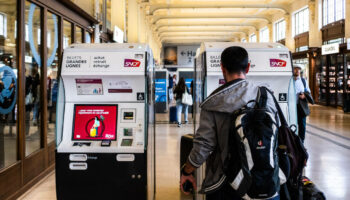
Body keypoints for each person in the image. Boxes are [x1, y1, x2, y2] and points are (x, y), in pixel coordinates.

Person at [180, 46, 279, 200]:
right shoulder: (265, 96)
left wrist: (187, 171)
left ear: (222, 68)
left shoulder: (213, 103)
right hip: (264, 181)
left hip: (224, 182)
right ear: (247, 67)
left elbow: (204, 146)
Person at [294, 65, 311, 143]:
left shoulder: (303, 81)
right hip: (291, 106)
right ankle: (292, 142)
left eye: (299, 69)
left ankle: (301, 143)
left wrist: (304, 95)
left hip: (301, 107)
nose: (297, 71)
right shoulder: (289, 81)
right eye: (295, 69)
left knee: (302, 126)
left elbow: (308, 92)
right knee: (291, 124)